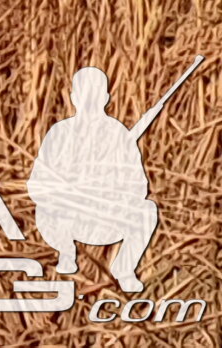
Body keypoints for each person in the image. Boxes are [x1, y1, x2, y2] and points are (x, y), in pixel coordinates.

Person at [29, 65, 162, 292]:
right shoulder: (59, 133)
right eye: (84, 95)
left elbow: (139, 186)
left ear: (106, 98)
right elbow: (36, 185)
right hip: (68, 219)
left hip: (107, 219)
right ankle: (67, 252)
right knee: (44, 209)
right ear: (74, 97)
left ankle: (125, 268)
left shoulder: (118, 133)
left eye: (96, 95)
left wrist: (110, 191)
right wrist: (67, 192)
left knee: (146, 210)